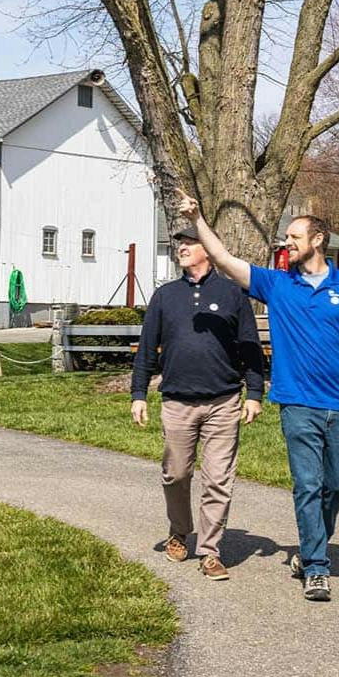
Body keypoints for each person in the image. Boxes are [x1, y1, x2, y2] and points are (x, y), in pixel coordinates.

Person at [175, 190, 339, 602]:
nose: (287, 243)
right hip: (296, 402)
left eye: (295, 237)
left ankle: (313, 544)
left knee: (338, 483)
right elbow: (224, 260)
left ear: (318, 239)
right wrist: (199, 217)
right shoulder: (277, 284)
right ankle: (316, 565)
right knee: (308, 484)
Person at [130, 226, 265, 581]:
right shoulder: (165, 296)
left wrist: (254, 393)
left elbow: (250, 345)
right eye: (180, 245)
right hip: (177, 401)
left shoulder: (233, 294)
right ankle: (179, 530)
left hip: (223, 401)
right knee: (175, 475)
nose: (182, 249)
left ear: (208, 249)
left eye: (190, 243)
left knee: (219, 479)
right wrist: (139, 393)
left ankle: (210, 551)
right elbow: (147, 348)